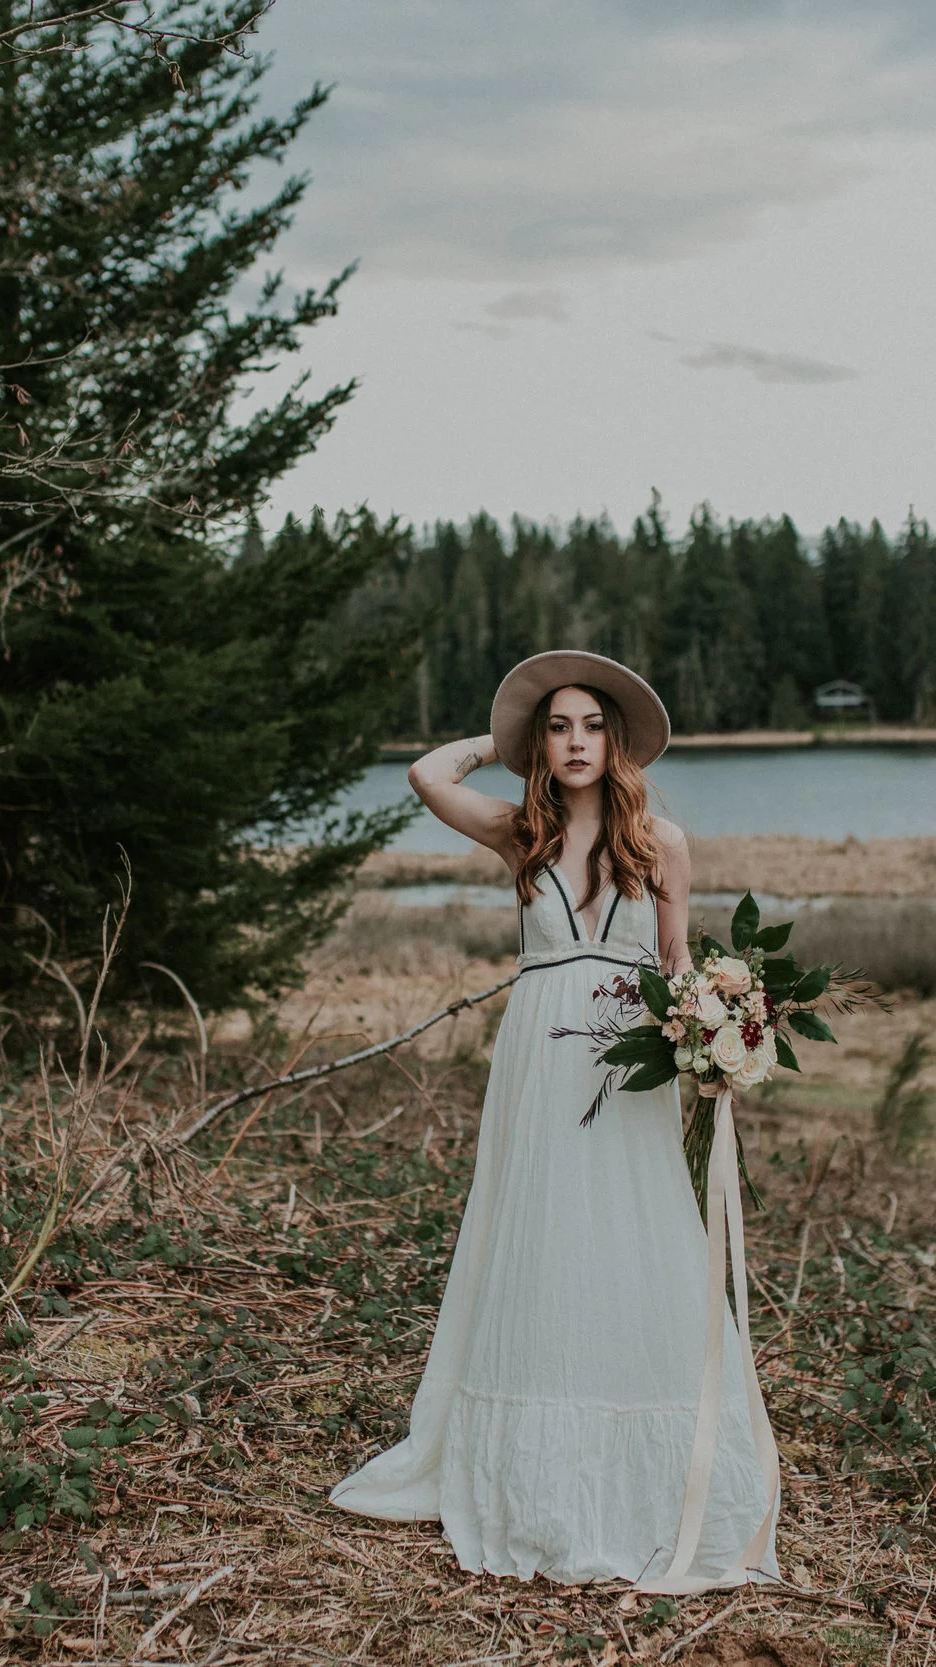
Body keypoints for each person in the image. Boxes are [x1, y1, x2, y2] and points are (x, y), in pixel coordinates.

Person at [328, 650, 780, 1591]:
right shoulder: (519, 832)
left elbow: (676, 965)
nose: (576, 742)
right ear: (542, 742)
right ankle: (533, 1456)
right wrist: (502, 743)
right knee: (543, 1229)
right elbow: (427, 776)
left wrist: (713, 1034)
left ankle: (644, 1454)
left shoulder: (662, 842)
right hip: (539, 1059)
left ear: (616, 743)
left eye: (592, 727)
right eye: (559, 727)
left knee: (630, 1232)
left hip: (625, 1058)